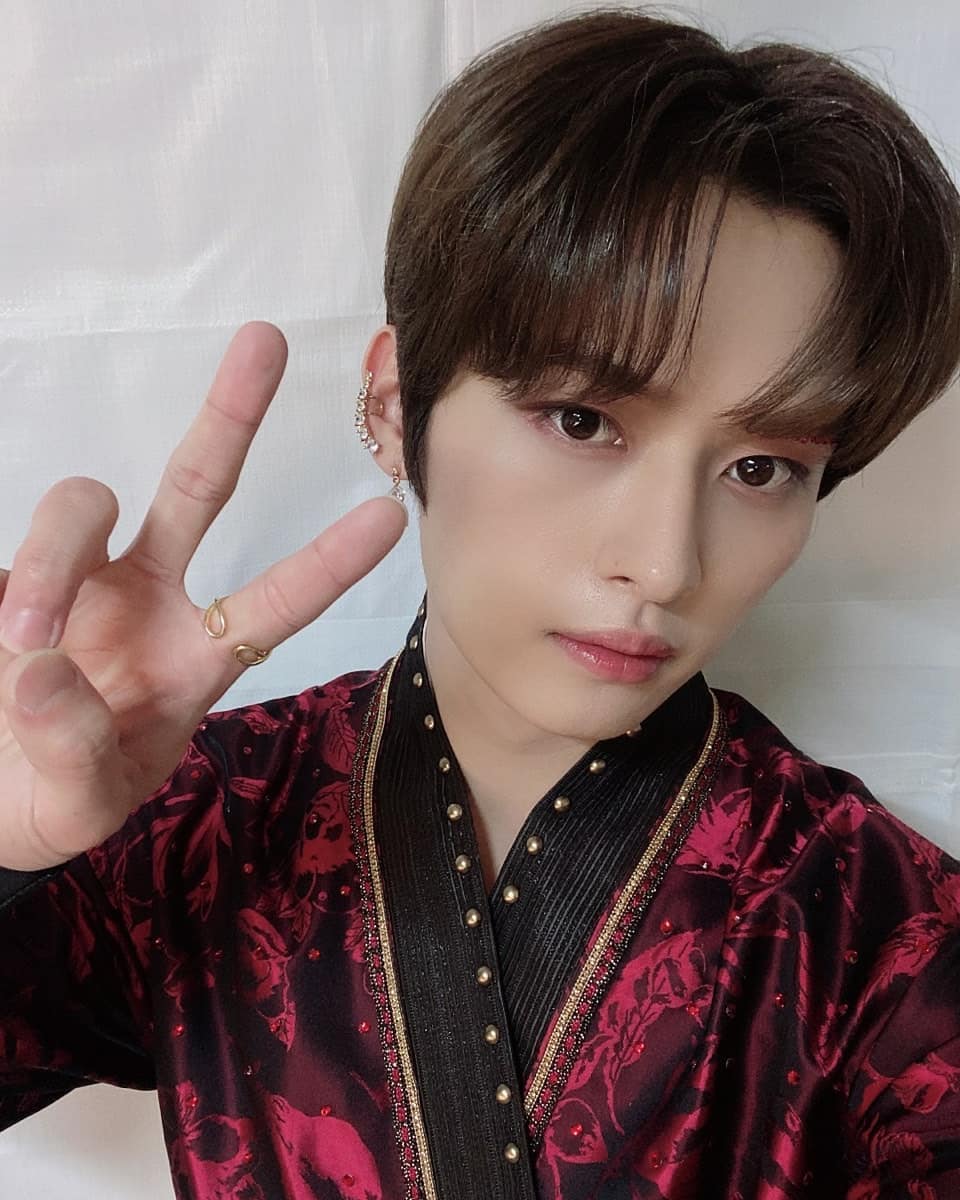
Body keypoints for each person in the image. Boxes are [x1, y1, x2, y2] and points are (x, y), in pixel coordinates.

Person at [1, 8, 959, 1198]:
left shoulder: (873, 921)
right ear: (397, 407)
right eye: (583, 420)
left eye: (762, 468)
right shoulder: (198, 820)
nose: (665, 564)